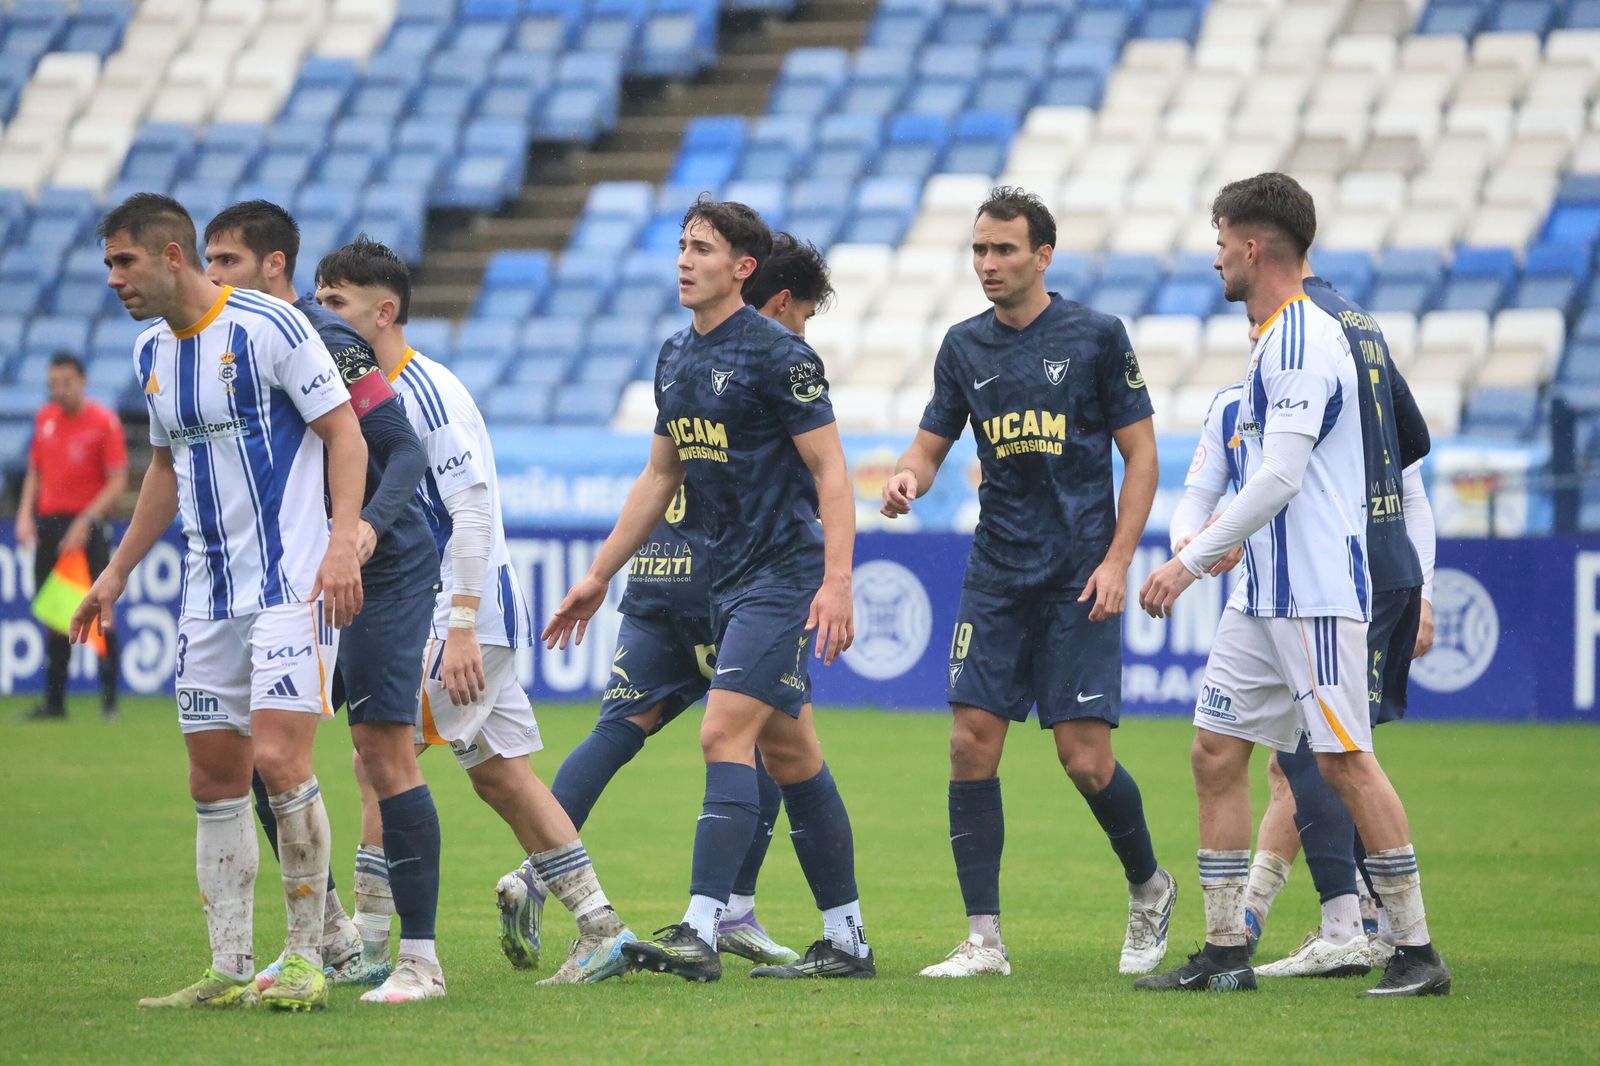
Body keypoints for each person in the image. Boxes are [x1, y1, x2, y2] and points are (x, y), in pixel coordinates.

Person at [1136, 172, 1450, 997]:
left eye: (1218, 243)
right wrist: (1211, 554)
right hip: (1260, 598)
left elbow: (1279, 476)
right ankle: (1226, 950)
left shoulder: (1307, 336)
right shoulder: (1269, 345)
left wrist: (1189, 559)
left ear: (1250, 245)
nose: (1214, 261)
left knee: (1344, 763)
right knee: (1213, 752)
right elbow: (1237, 481)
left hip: (1313, 590)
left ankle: (1416, 949)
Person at [544, 199, 873, 981]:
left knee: (722, 735)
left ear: (743, 269)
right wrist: (598, 574)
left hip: (780, 577)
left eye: (702, 249)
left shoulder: (779, 356)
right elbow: (661, 475)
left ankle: (699, 929)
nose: (685, 260)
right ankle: (848, 939)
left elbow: (832, 473)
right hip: (722, 583)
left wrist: (836, 582)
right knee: (792, 751)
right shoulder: (674, 357)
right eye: (682, 246)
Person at [71, 192, 367, 1011]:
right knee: (212, 778)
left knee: (280, 761)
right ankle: (229, 966)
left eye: (123, 262)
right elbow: (163, 472)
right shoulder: (148, 354)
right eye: (107, 265)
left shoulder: (269, 329)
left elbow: (346, 432)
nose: (113, 279)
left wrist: (344, 542)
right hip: (208, 595)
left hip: (291, 585)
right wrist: (119, 570)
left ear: (172, 257)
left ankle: (308, 959)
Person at [315, 235, 636, 986]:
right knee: (500, 776)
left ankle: (367, 940)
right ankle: (600, 925)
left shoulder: (423, 391)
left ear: (383, 311)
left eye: (336, 304)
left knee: (378, 757)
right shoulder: (368, 392)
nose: (322, 319)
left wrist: (459, 625)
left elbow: (472, 511)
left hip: (456, 610)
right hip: (459, 609)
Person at [880, 186, 1174, 979]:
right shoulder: (962, 347)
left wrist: (1117, 560)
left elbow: (1141, 457)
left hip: (1080, 577)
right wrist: (906, 479)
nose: (988, 264)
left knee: (1085, 760)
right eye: (979, 249)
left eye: (1004, 249)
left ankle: (1150, 885)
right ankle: (983, 940)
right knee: (970, 742)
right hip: (997, 574)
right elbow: (928, 448)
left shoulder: (1096, 338)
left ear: (1042, 256)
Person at [201, 201, 446, 1003]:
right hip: (298, 570)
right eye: (208, 262)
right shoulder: (222, 345)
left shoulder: (326, 341)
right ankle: (329, 937)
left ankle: (420, 960)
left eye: (229, 262)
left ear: (275, 268)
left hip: (385, 561)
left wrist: (363, 533)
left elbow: (403, 451)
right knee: (272, 754)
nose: (214, 279)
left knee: (382, 750)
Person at [1233, 271, 1440, 979]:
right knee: (1315, 755)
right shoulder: (1361, 325)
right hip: (1384, 560)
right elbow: (1409, 455)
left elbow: (1302, 472)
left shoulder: (1306, 330)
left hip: (1344, 567)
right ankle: (1359, 921)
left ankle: (1361, 929)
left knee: (1328, 754)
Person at [15, 353, 126, 721]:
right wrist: (24, 515)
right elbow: (34, 471)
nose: (58, 391)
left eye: (65, 382)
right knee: (54, 614)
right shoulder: (45, 419)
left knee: (99, 607)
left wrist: (86, 520)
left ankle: (109, 699)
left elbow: (117, 480)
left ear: (82, 381)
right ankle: (54, 703)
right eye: (52, 384)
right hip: (50, 525)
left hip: (89, 527)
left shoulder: (103, 423)